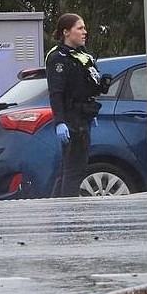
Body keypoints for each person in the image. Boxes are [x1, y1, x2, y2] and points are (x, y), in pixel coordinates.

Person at [45, 13, 109, 196]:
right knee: (74, 170)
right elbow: (56, 93)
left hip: (83, 116)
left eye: (84, 28)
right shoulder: (59, 57)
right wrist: (60, 122)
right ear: (66, 32)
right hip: (72, 119)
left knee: (68, 168)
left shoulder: (81, 55)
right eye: (79, 28)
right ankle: (68, 215)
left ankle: (59, 213)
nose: (84, 32)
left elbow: (85, 87)